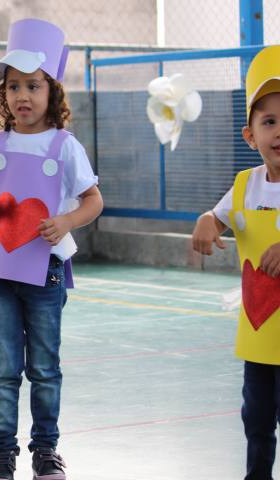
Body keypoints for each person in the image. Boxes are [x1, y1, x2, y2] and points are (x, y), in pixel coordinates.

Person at [0, 18, 103, 480]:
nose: (23, 95)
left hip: (47, 274)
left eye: (33, 85)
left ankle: (46, 448)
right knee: (3, 368)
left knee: (44, 367)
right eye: (13, 86)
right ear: (3, 95)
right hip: (2, 272)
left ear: (52, 93)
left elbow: (93, 200)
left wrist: (64, 222)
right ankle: (1, 451)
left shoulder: (65, 146)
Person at [192, 45, 280, 480]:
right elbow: (219, 216)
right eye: (270, 122)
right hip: (260, 336)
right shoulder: (247, 184)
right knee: (257, 418)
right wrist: (207, 222)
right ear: (251, 136)